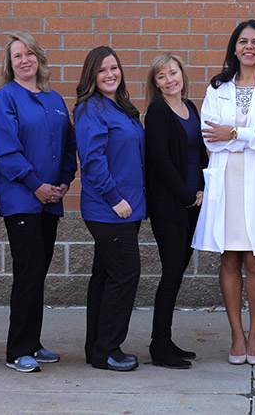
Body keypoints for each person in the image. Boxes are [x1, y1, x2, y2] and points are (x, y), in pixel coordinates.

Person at [192, 19, 255, 366]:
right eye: (242, 41)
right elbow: (209, 135)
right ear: (234, 48)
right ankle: (236, 336)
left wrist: (234, 134)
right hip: (226, 182)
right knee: (229, 257)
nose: (248, 47)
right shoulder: (217, 87)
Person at [0, 33, 77, 373]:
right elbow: (8, 152)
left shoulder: (54, 98)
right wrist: (36, 185)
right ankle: (17, 351)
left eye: (29, 54)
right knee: (27, 273)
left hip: (51, 200)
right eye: (17, 56)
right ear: (9, 65)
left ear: (39, 59)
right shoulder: (5, 98)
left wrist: (65, 181)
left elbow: (68, 145)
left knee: (38, 273)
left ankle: (33, 342)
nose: (24, 60)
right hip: (22, 200)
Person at [74, 46, 146, 372]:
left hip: (127, 209)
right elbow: (92, 160)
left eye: (114, 68)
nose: (109, 74)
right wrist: (114, 198)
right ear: (92, 75)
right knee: (125, 274)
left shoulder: (121, 107)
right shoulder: (92, 109)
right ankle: (109, 349)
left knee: (104, 278)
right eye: (102, 70)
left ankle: (96, 348)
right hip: (109, 210)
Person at [144, 53, 208, 369]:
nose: (170, 80)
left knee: (177, 272)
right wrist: (186, 196)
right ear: (155, 84)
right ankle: (159, 346)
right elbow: (162, 163)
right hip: (171, 205)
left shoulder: (191, 107)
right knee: (171, 273)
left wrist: (207, 190)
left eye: (173, 73)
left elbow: (199, 153)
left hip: (194, 204)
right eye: (162, 76)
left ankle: (165, 339)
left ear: (182, 74)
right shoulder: (157, 112)